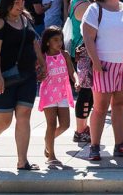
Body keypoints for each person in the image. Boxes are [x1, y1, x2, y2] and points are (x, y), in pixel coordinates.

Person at [0, 0, 45, 170]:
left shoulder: (25, 19)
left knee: (24, 115)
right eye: (16, 2)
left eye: (22, 1)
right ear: (6, 3)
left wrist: (42, 62)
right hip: (5, 76)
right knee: (3, 120)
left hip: (27, 75)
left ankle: (22, 161)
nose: (20, 5)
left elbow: (34, 41)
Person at [81, 0, 123, 161]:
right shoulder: (94, 9)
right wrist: (96, 62)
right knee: (100, 107)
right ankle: (95, 146)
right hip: (104, 64)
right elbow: (88, 38)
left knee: (120, 106)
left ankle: (119, 144)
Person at [37, 26, 75, 167]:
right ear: (47, 42)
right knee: (51, 124)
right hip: (48, 94)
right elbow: (38, 73)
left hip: (63, 93)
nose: (59, 43)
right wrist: (39, 74)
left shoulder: (64, 54)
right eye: (55, 40)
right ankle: (51, 156)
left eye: (60, 39)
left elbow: (72, 72)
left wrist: (76, 80)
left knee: (65, 125)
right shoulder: (43, 57)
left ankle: (48, 141)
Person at [68, 0, 94, 144]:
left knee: (86, 91)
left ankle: (82, 127)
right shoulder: (85, 5)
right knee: (85, 92)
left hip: (76, 47)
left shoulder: (74, 1)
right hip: (84, 50)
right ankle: (80, 129)